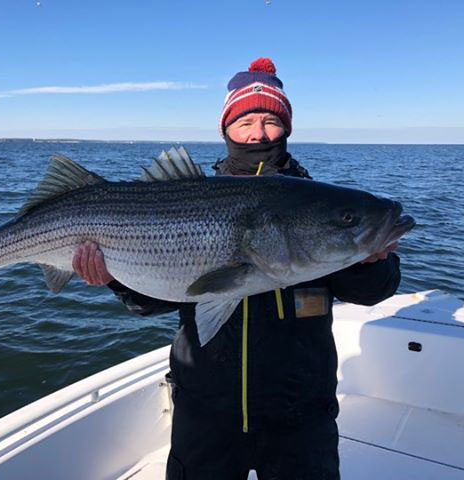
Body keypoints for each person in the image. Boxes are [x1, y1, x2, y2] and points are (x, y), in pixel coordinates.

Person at [73, 58, 401, 480]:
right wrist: (114, 277)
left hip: (300, 412)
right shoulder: (186, 196)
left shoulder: (318, 206)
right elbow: (150, 304)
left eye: (271, 120)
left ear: (288, 128)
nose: (259, 132)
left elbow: (374, 291)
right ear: (225, 129)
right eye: (246, 121)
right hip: (206, 412)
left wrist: (370, 256)